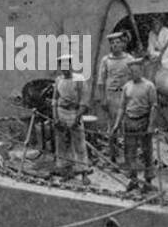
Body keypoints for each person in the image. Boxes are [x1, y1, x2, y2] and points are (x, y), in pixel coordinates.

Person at [117, 56, 158, 193]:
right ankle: (133, 180)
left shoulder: (149, 86)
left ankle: (148, 181)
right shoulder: (127, 86)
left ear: (141, 70)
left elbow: (154, 106)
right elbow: (122, 107)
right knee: (130, 152)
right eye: (131, 71)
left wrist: (151, 125)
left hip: (143, 121)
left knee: (147, 152)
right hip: (129, 121)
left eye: (136, 70)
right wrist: (117, 124)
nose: (134, 73)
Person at [96, 31, 133, 165]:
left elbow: (133, 78)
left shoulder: (129, 59)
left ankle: (127, 157)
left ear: (122, 44)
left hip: (125, 96)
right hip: (111, 96)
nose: (115, 45)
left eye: (118, 42)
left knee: (126, 126)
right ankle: (113, 156)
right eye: (113, 43)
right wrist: (103, 99)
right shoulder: (106, 60)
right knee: (112, 127)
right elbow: (101, 81)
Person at [51, 53, 90, 179]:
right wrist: (56, 118)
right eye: (62, 65)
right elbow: (55, 100)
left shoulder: (79, 79)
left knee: (79, 143)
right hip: (61, 113)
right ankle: (66, 171)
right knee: (62, 143)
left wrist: (77, 118)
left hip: (74, 113)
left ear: (71, 65)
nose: (65, 68)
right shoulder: (58, 80)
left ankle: (84, 172)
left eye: (67, 64)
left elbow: (84, 102)